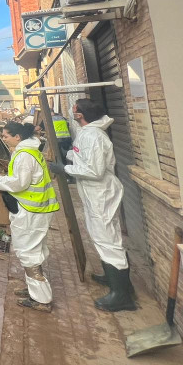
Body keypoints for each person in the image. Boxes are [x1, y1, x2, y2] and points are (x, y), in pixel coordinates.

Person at [62, 98, 135, 312]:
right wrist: (69, 154)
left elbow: (94, 171)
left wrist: (64, 169)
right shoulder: (88, 134)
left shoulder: (93, 136)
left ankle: (121, 296)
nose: (72, 112)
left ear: (80, 115)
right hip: (95, 194)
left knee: (107, 239)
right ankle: (116, 280)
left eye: (74, 109)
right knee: (104, 237)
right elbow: (84, 158)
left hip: (101, 193)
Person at [0, 121, 59, 312]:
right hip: (34, 209)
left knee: (28, 253)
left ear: (18, 137)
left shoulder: (24, 155)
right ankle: (34, 290)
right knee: (31, 251)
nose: (4, 138)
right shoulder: (28, 151)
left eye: (7, 135)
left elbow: (19, 183)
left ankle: (42, 299)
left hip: (31, 212)